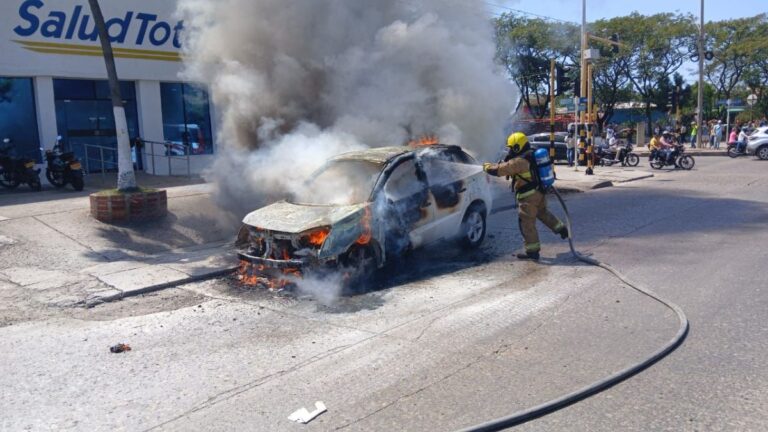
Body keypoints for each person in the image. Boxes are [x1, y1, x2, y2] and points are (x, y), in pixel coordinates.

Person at [483, 132, 568, 261]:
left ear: (517, 147)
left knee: (527, 224)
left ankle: (532, 251)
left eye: (511, 147)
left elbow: (501, 170)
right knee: (543, 213)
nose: (510, 150)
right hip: (540, 193)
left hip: (528, 197)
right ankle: (561, 228)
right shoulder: (532, 154)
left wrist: (487, 167)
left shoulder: (519, 161)